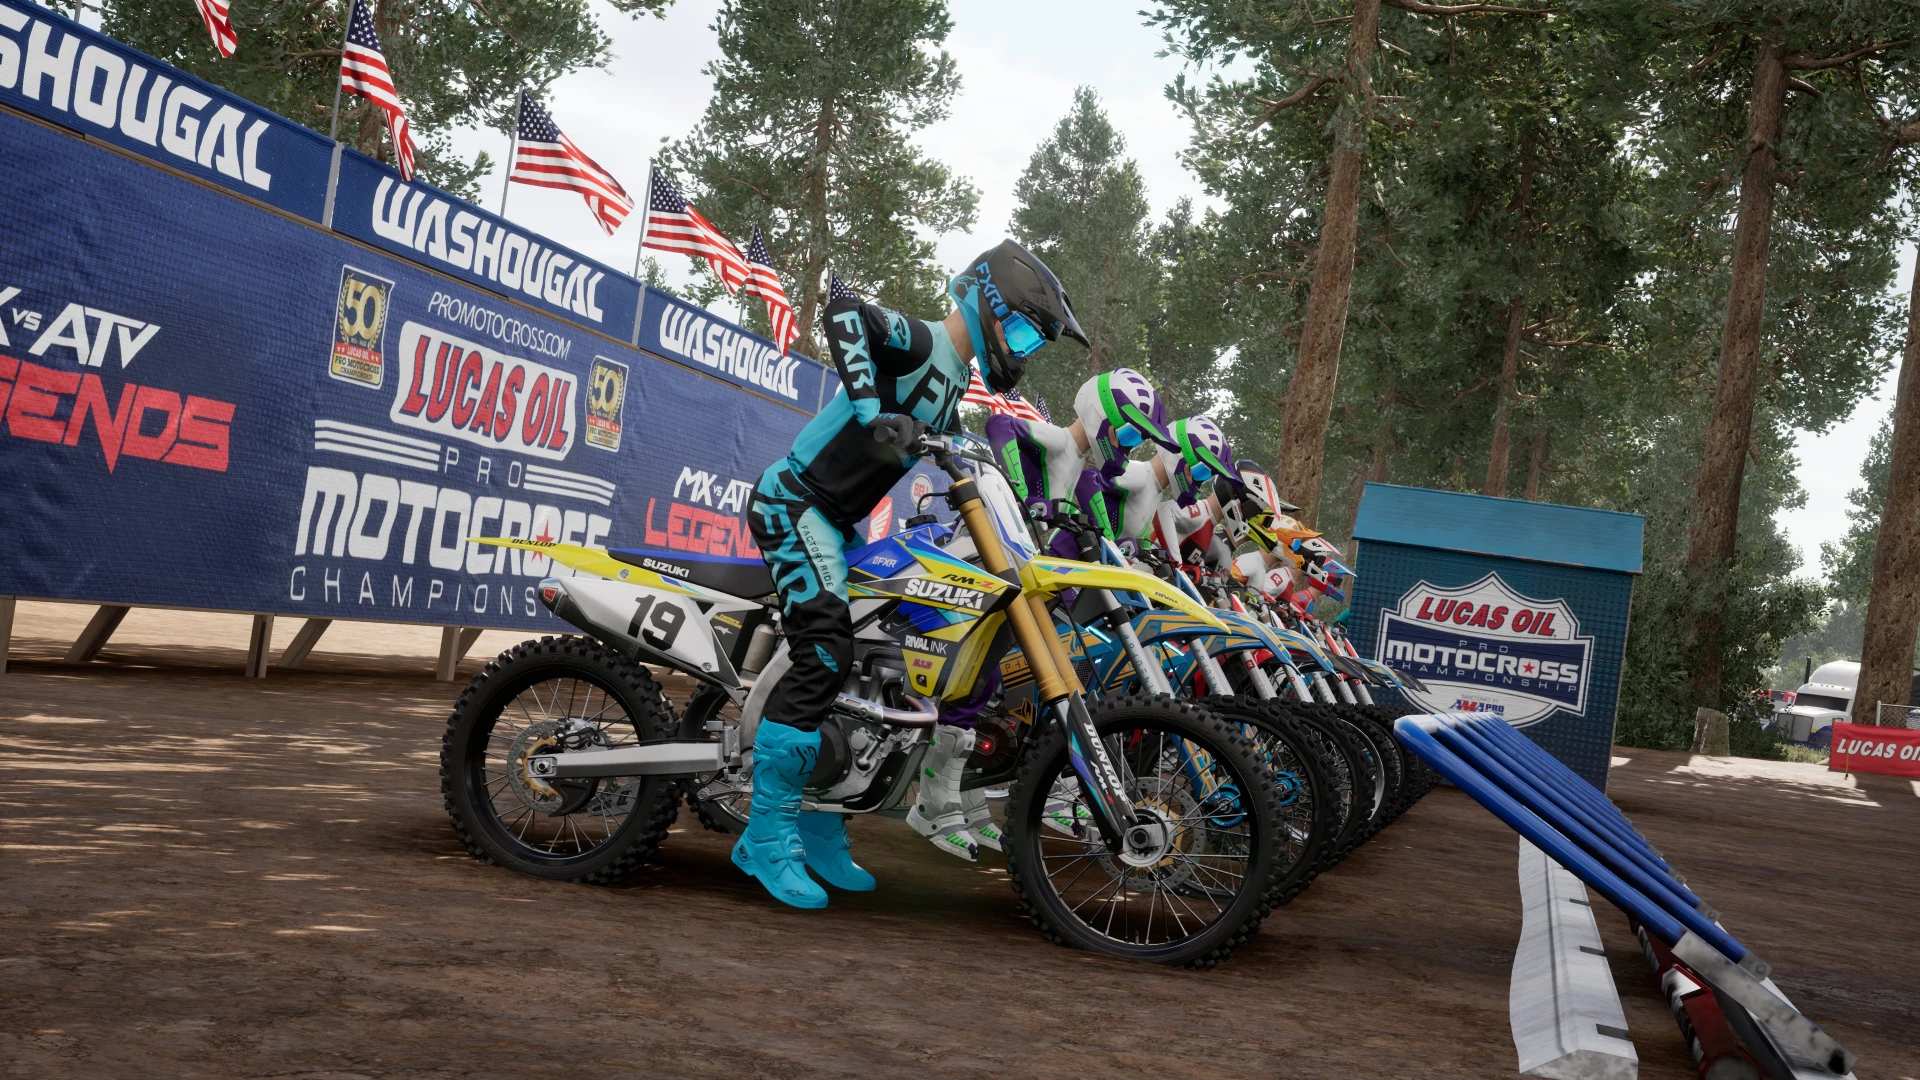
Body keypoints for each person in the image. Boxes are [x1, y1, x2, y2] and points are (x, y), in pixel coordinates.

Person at [738, 240, 1087, 910]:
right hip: (795, 503)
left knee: (864, 667)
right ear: (990, 303)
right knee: (825, 651)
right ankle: (765, 836)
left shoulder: (955, 384)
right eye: (1021, 332)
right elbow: (845, 313)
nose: (1022, 349)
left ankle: (819, 824)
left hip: (836, 523)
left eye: (1031, 344)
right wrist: (872, 410)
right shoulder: (924, 342)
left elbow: (954, 453)